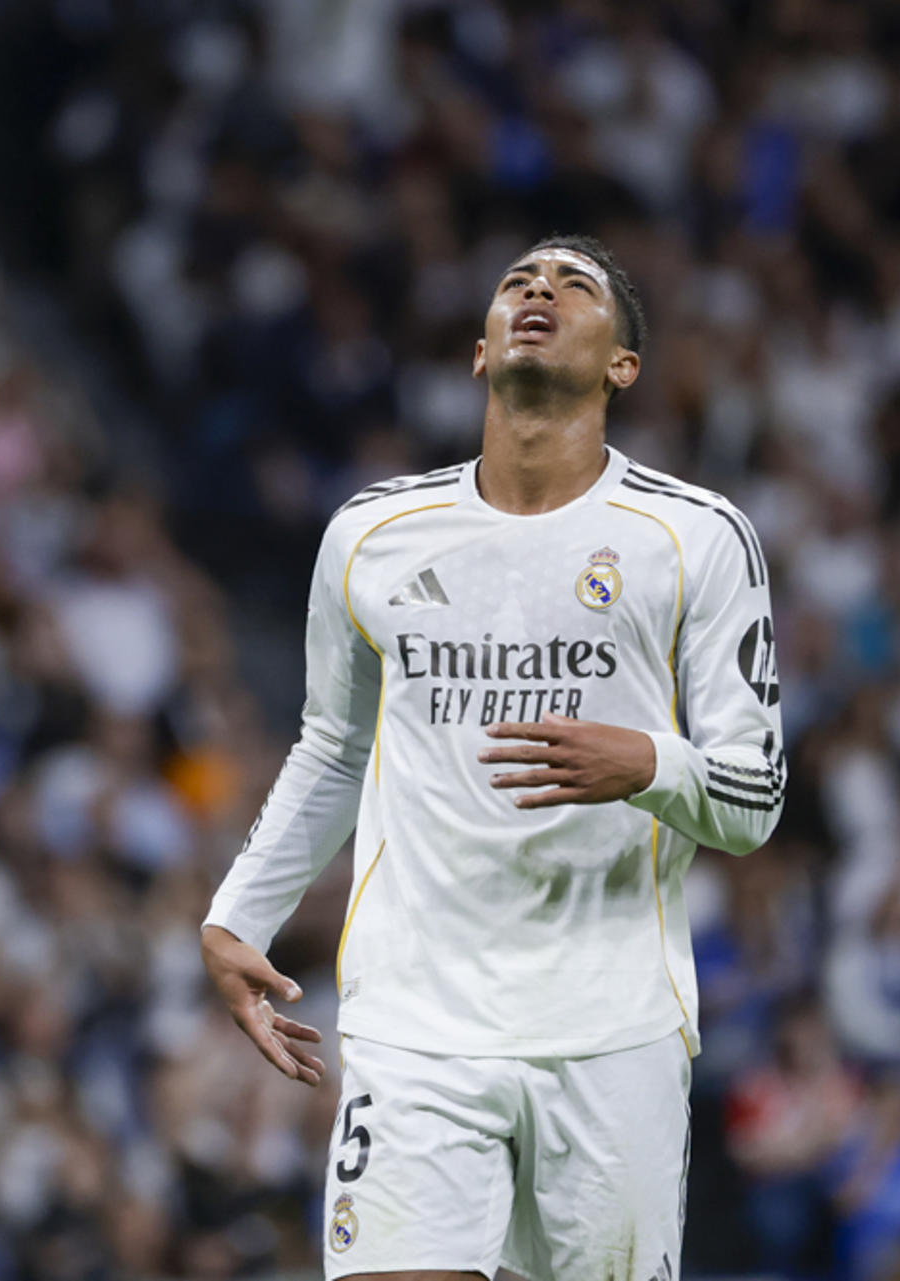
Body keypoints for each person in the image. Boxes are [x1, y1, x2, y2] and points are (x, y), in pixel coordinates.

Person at [199, 235, 786, 1281]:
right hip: (416, 1022)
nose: (539, 290)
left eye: (575, 285)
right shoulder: (374, 534)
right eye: (519, 281)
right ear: (480, 350)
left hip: (608, 1030)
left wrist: (647, 763)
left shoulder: (695, 536)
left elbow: (756, 794)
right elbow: (334, 746)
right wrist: (240, 912)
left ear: (623, 366)